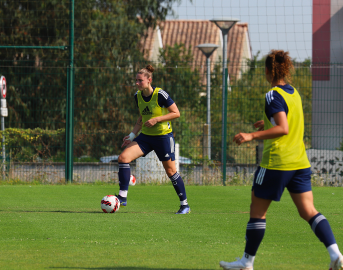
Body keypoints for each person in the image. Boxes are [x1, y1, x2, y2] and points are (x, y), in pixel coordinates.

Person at [219, 50, 343, 270]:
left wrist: (251, 136)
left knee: (257, 212)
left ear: (267, 71)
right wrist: (266, 123)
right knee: (309, 211)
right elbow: (286, 120)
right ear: (286, 69)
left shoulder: (272, 94)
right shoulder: (293, 93)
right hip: (300, 163)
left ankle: (246, 262)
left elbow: (283, 128)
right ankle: (335, 253)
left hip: (277, 163)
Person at [116, 64, 190, 215]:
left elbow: (176, 113)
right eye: (136, 80)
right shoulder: (137, 96)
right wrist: (131, 136)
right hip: (146, 137)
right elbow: (141, 118)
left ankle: (184, 205)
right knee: (123, 158)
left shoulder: (160, 94)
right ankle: (122, 197)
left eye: (140, 80)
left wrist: (157, 120)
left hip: (163, 137)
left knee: (171, 171)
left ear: (149, 80)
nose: (137, 83)